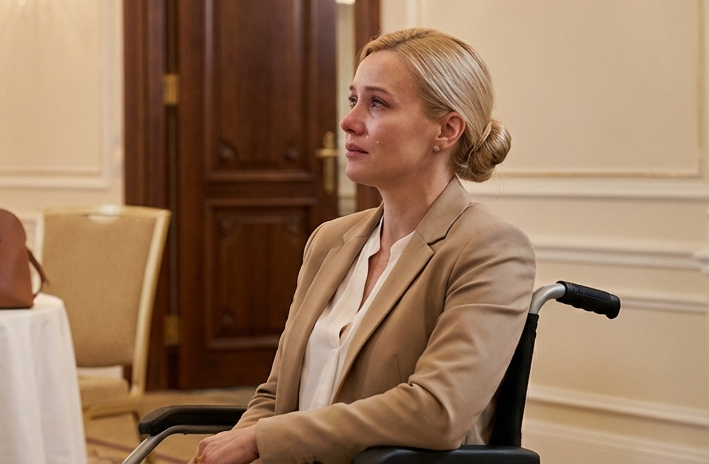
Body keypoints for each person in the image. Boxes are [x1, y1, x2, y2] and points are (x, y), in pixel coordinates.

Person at [189, 28, 536, 464]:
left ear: (446, 130)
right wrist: (233, 447)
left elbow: (436, 410)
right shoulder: (329, 241)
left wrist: (264, 440)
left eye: (377, 103)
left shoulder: (489, 249)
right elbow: (275, 395)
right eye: (353, 100)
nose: (349, 121)